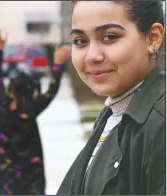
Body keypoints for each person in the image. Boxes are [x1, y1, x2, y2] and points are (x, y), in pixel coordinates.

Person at [57, 1, 165, 195]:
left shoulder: (160, 123)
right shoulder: (114, 112)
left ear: (152, 38)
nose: (91, 56)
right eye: (80, 41)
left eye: (109, 37)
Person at [0, 30, 71, 195]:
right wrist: (58, 63)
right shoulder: (32, 109)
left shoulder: (3, 106)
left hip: (3, 172)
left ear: (13, 90)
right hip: (29, 175)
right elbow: (52, 90)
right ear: (32, 92)